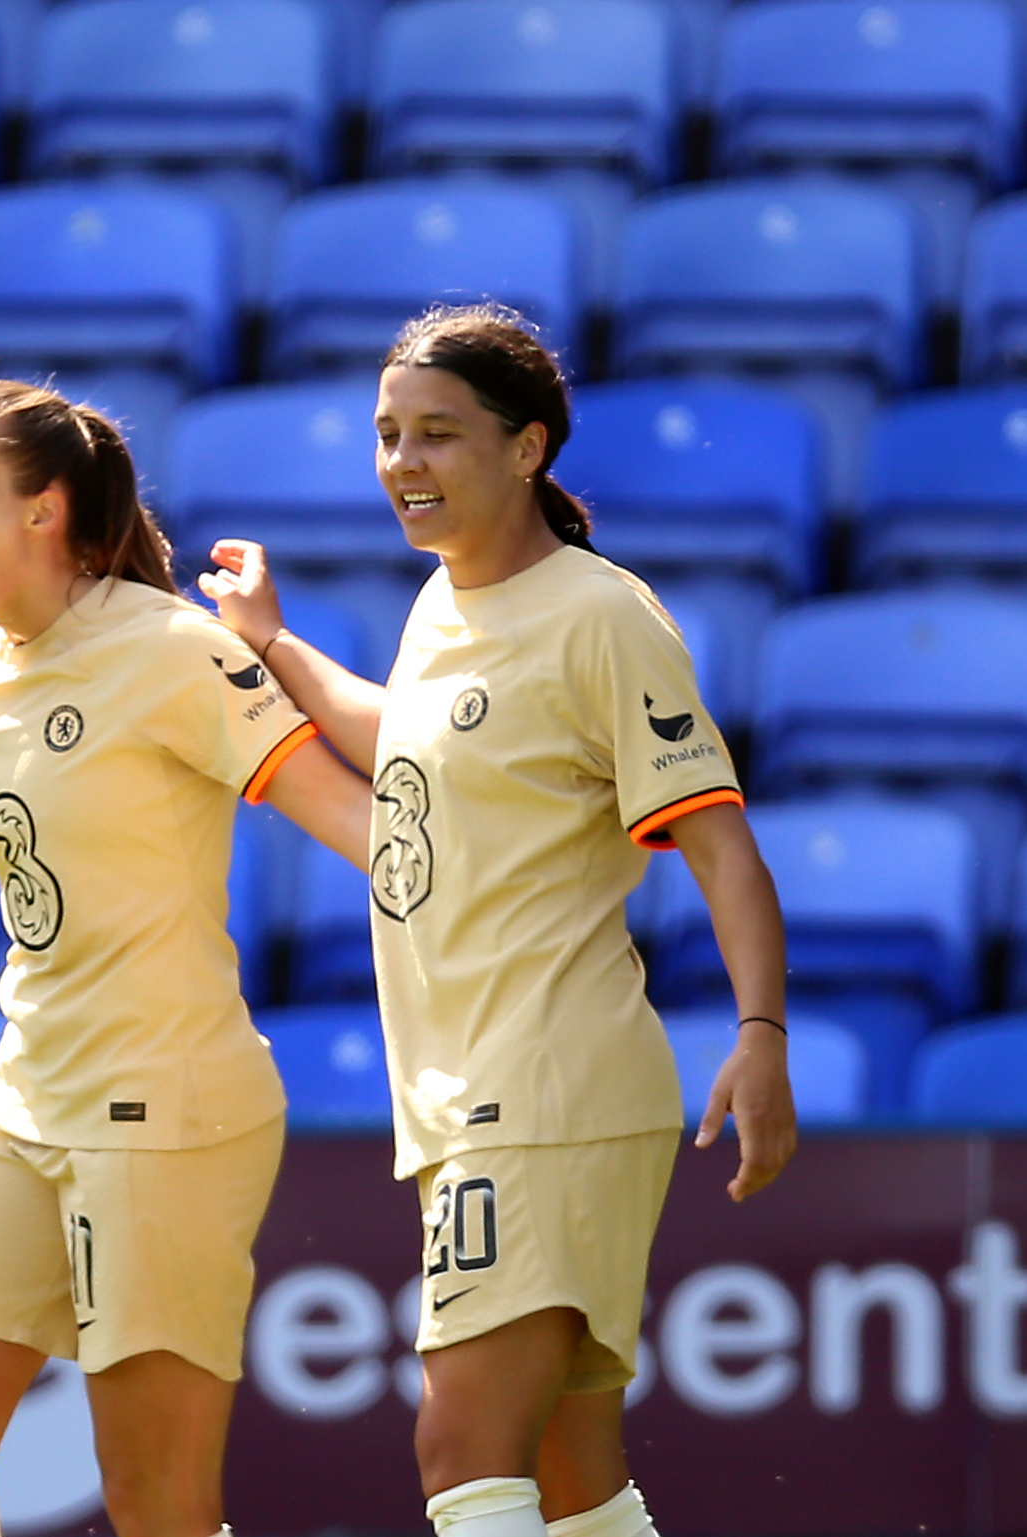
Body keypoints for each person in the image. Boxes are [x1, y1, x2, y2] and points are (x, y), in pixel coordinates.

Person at [202, 304, 798, 1537]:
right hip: (474, 1090)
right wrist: (275, 649)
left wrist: (758, 1031)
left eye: (435, 434)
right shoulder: (442, 602)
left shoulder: (599, 615)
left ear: (527, 448)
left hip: (540, 1085)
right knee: (572, 1473)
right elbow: (405, 739)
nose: (401, 465)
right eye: (384, 436)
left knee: (459, 1444)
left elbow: (719, 841)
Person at [0, 379, 372, 1537]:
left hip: (166, 1100)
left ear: (44, 509)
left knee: (155, 1498)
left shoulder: (168, 648)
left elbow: (354, 825)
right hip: (27, 1091)